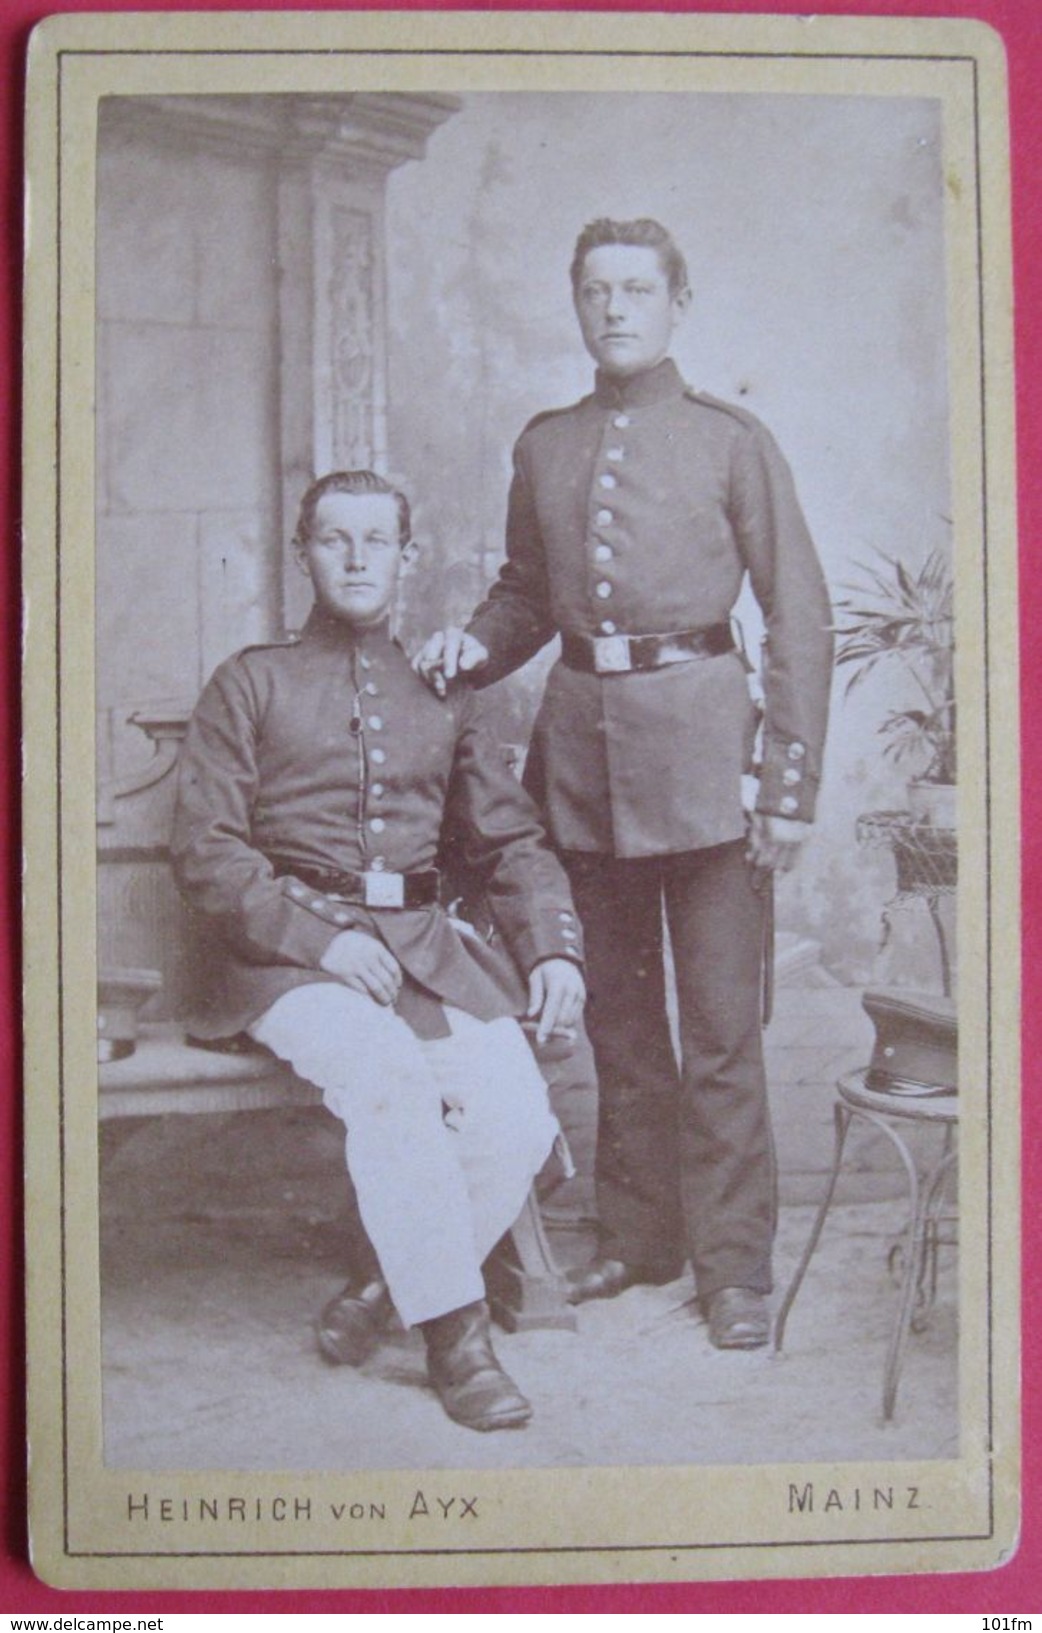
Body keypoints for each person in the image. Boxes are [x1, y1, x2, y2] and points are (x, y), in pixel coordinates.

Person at [416, 217, 832, 1349]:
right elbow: (526, 594)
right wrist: (470, 645)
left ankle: (733, 1264)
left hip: (706, 770)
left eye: (636, 288)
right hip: (583, 767)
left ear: (677, 303)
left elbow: (799, 611)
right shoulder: (545, 445)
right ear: (577, 303)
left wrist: (784, 786)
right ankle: (639, 1236)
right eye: (594, 289)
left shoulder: (729, 441)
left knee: (718, 1028)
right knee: (617, 1021)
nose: (613, 308)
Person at [171, 468, 586, 1432]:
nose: (355, 557)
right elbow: (207, 852)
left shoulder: (448, 690)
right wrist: (320, 938)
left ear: (408, 558)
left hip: (424, 950)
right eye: (333, 539)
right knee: (392, 1074)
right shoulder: (252, 680)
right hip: (280, 960)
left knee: (519, 1116)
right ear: (304, 553)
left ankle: (381, 1290)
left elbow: (510, 841)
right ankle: (457, 1340)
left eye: (376, 541)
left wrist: (554, 950)